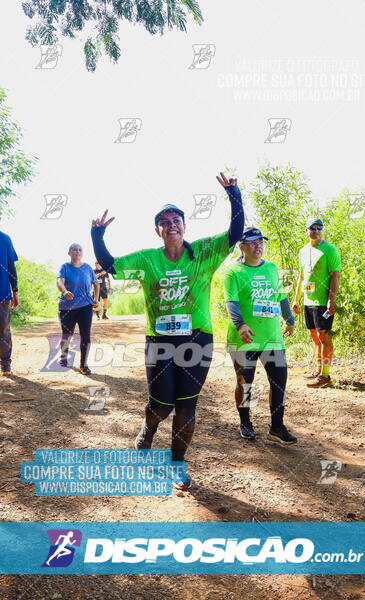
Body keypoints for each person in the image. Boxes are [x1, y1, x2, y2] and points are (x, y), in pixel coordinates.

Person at [91, 172, 244, 490]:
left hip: (197, 339)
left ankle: (177, 464)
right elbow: (109, 263)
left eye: (176, 219)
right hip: (159, 341)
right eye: (164, 221)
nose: (171, 224)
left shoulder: (203, 252)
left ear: (184, 226)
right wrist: (97, 235)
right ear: (158, 230)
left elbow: (235, 232)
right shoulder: (148, 259)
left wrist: (234, 194)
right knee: (161, 404)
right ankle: (147, 432)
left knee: (187, 405)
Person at [224, 227, 297, 445]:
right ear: (241, 246)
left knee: (279, 382)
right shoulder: (233, 271)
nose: (258, 245)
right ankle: (245, 422)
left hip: (272, 337)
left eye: (261, 242)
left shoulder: (272, 269)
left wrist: (290, 319)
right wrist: (240, 325)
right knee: (246, 382)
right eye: (253, 242)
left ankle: (277, 427)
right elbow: (231, 303)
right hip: (243, 338)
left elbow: (281, 296)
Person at [292, 218, 341, 388]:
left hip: (323, 302)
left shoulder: (329, 249)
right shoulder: (303, 251)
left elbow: (335, 275)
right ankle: (318, 369)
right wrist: (295, 300)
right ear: (307, 231)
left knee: (324, 336)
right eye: (312, 227)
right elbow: (301, 277)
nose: (317, 230)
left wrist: (331, 300)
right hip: (308, 301)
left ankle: (325, 377)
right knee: (314, 336)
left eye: (320, 227)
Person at [56, 243, 100, 375]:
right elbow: (59, 282)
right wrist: (65, 292)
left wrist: (96, 298)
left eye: (80, 250)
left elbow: (96, 283)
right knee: (67, 334)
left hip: (85, 306)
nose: (77, 252)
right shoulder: (65, 267)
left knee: (85, 335)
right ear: (69, 253)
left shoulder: (87, 268)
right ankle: (64, 357)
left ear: (82, 253)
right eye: (74, 250)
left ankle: (83, 365)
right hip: (67, 307)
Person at [0, 229, 19, 376]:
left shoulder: (5, 239)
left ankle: (5, 363)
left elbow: (11, 267)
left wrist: (15, 291)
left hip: (3, 293)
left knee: (3, 329)